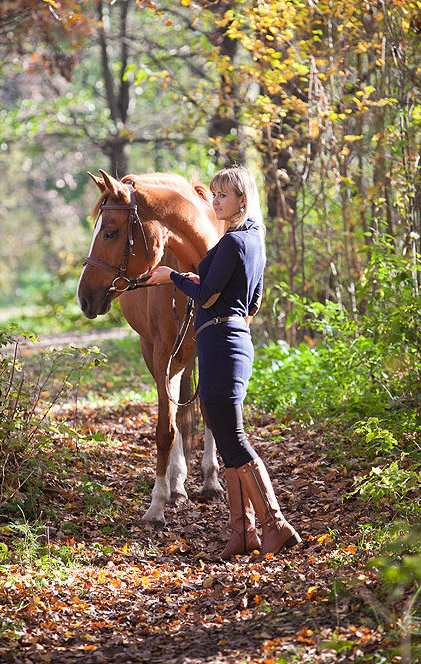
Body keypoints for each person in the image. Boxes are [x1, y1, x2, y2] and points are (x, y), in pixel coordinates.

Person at [147, 166, 301, 560]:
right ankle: (243, 531)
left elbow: (210, 293)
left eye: (222, 196)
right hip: (230, 339)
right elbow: (254, 302)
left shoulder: (233, 242)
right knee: (228, 436)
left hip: (221, 343)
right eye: (213, 195)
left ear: (242, 201)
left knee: (234, 439)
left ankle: (275, 524)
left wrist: (172, 277)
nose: (214, 202)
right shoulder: (253, 240)